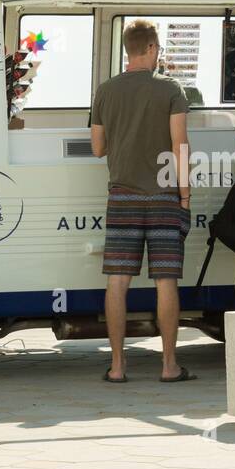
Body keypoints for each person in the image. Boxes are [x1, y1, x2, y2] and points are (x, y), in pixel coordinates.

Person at [90, 20, 195, 384]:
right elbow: (180, 144)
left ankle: (117, 367)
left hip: (123, 196)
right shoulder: (170, 89)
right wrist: (185, 194)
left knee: (117, 282)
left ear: (127, 49)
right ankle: (169, 366)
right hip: (165, 196)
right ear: (151, 48)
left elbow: (98, 147)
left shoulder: (106, 91)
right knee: (166, 281)